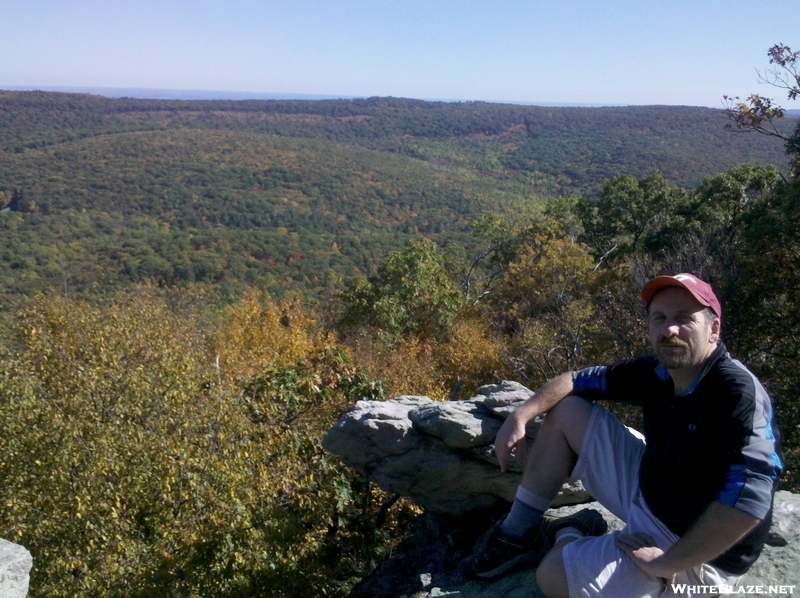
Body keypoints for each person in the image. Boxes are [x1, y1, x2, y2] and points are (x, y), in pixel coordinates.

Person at [459, 273, 782, 598]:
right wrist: (522, 414)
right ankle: (517, 535)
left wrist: (666, 563)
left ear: (713, 330)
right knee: (568, 410)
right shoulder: (659, 372)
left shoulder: (736, 394)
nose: (670, 330)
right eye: (660, 318)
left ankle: (571, 532)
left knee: (552, 575)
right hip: (654, 492)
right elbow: (577, 380)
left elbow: (749, 501)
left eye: (684, 319)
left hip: (700, 552)